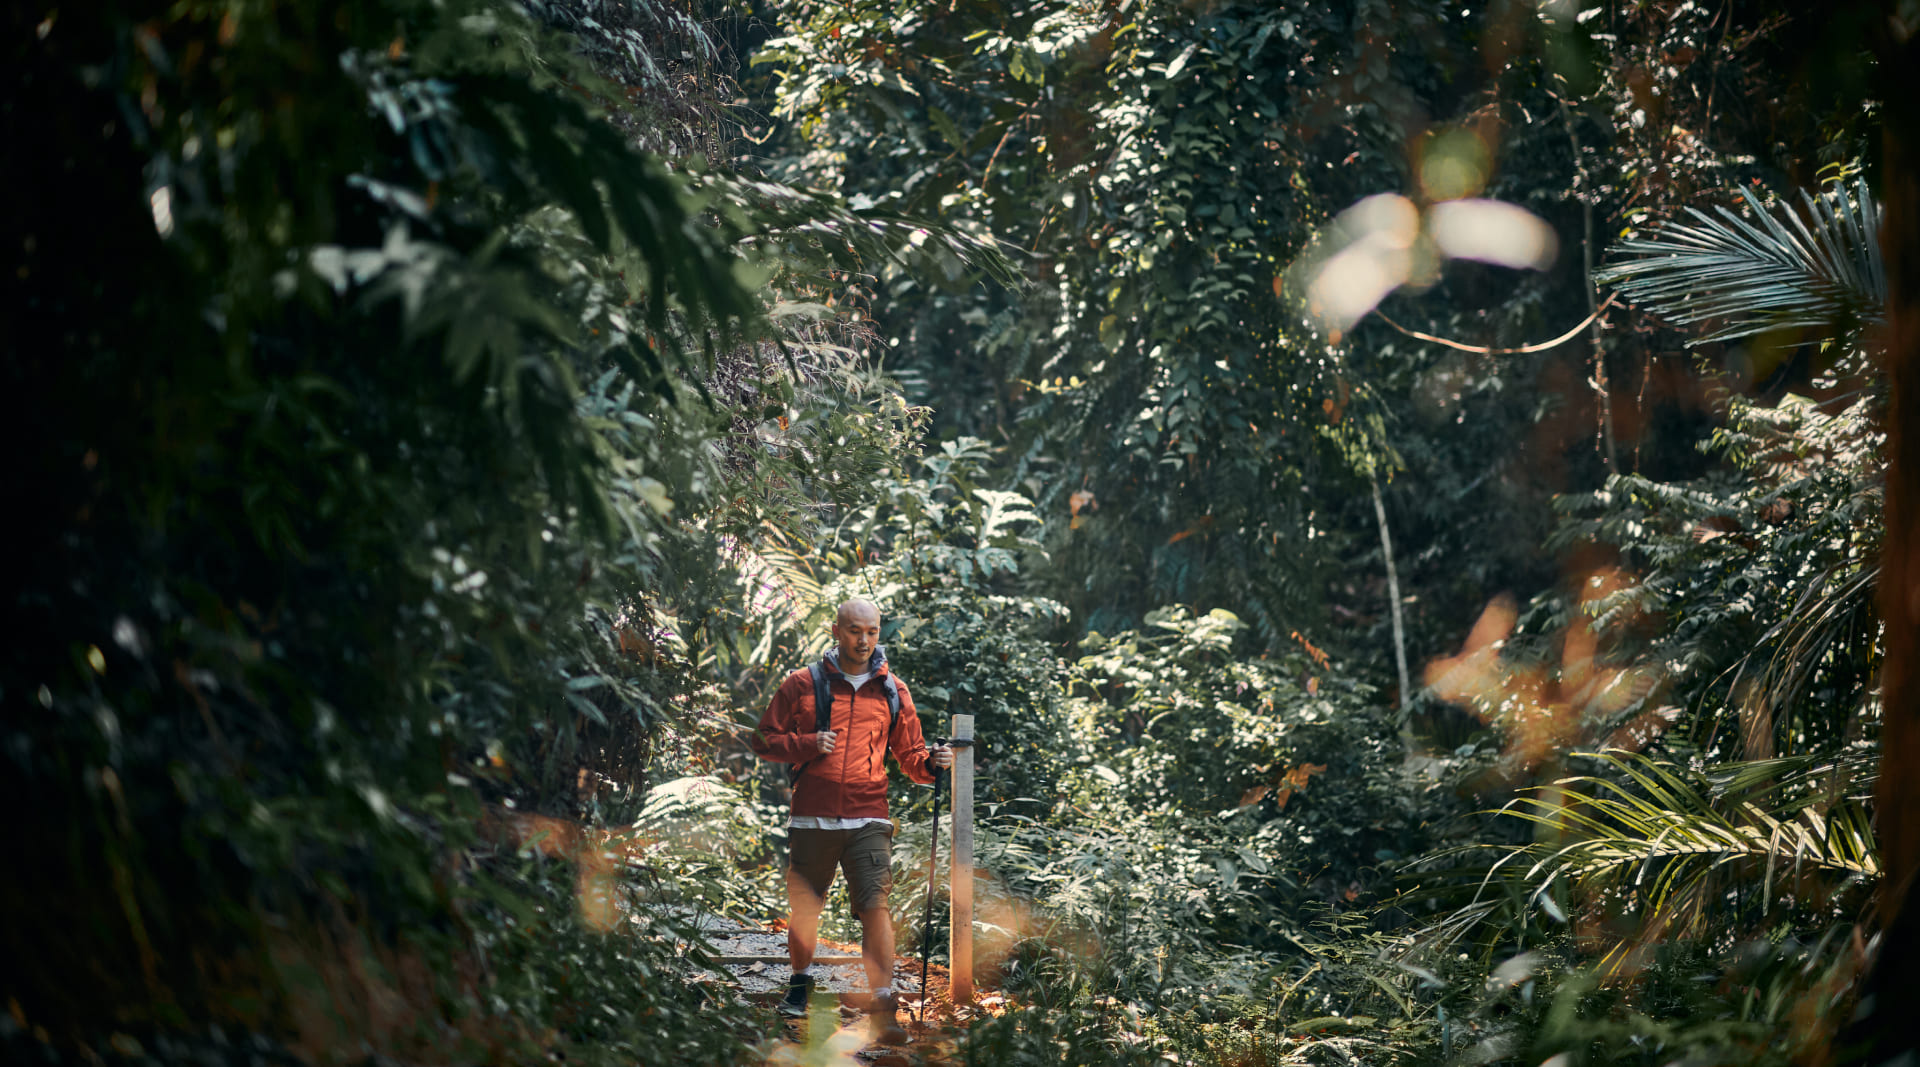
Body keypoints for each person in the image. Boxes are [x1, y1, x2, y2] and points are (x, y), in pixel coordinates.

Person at [751, 599, 953, 1043]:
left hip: (868, 816)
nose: (864, 641)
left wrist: (933, 764)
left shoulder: (893, 690)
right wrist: (807, 743)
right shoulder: (803, 683)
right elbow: (763, 738)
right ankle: (800, 983)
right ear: (836, 630)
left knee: (875, 906)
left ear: (879, 632)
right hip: (812, 816)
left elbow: (911, 756)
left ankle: (883, 1005)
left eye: (872, 631)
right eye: (854, 631)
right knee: (806, 908)